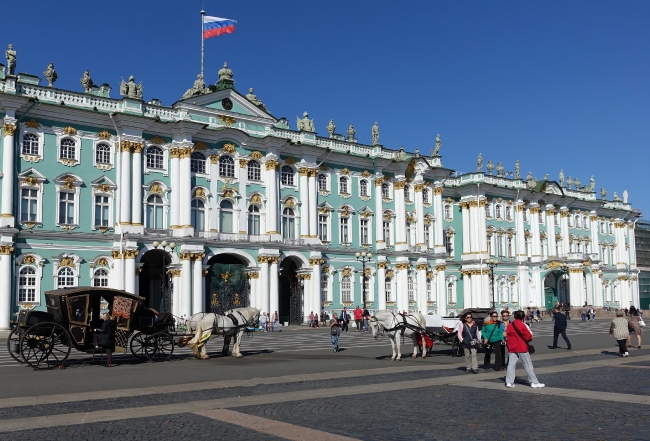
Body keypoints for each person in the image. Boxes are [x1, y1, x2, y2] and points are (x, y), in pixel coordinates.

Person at [505, 310, 544, 388]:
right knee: (528, 365)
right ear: (523, 317)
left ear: (515, 316)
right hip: (522, 347)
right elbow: (529, 336)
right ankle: (534, 382)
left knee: (511, 365)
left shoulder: (510, 325)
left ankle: (509, 382)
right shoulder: (522, 325)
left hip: (512, 347)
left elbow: (507, 337)